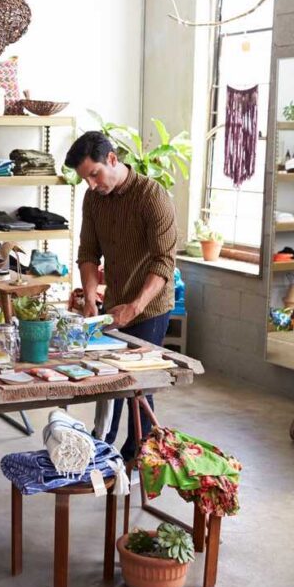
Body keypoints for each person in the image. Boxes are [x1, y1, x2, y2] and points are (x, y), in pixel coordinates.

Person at [64, 130, 177, 459]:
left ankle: (138, 453)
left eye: (95, 174)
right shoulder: (94, 198)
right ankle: (104, 446)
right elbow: (88, 253)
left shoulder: (152, 197)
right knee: (108, 376)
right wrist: (89, 297)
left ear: (112, 159)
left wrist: (136, 305)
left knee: (136, 383)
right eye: (86, 179)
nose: (92, 184)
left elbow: (164, 262)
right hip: (113, 303)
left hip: (150, 305)